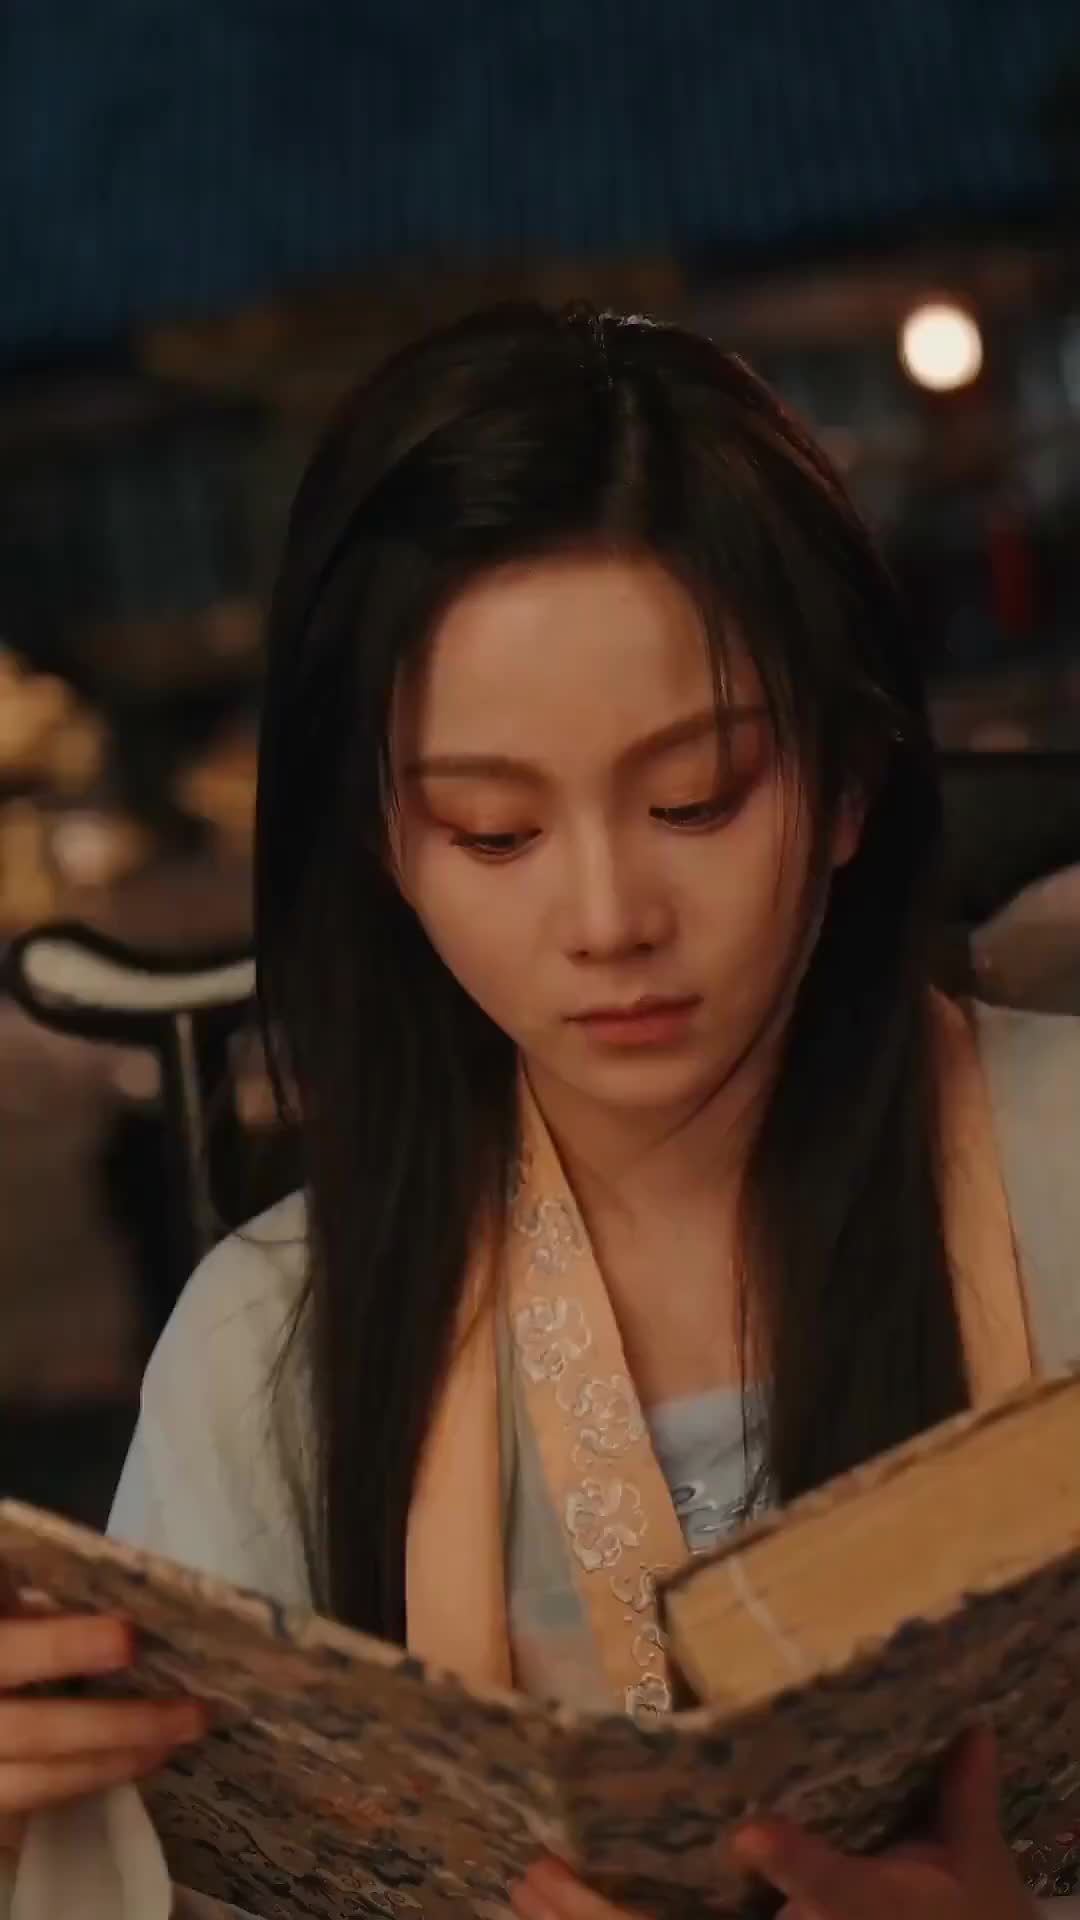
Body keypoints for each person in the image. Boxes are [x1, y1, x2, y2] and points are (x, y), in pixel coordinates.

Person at [2, 302, 1078, 1919]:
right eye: (493, 831)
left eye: (697, 800)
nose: (607, 919)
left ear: (852, 776)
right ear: (385, 841)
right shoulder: (269, 1352)